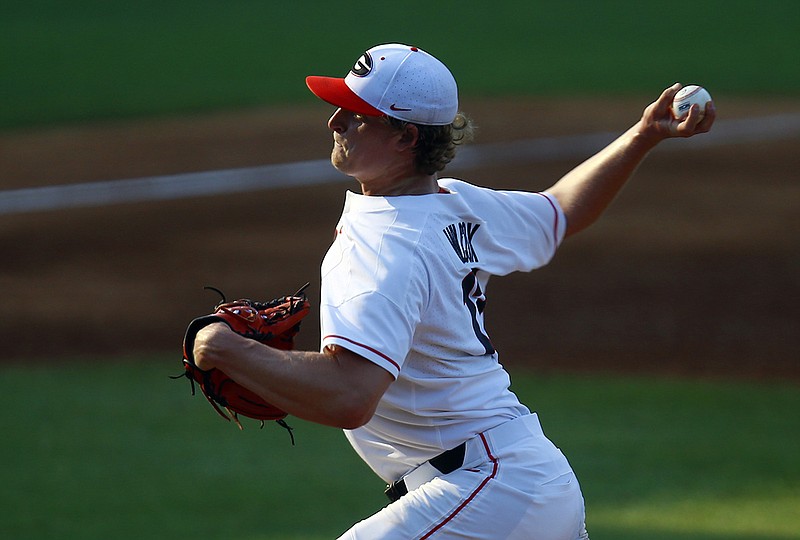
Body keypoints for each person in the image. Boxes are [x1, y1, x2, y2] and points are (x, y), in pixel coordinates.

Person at [192, 43, 715, 539]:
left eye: (356, 113)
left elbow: (350, 396)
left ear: (405, 138)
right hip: (523, 482)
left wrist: (225, 348)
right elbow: (560, 213)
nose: (336, 121)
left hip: (488, 491)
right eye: (338, 107)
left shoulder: (383, 247)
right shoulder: (453, 205)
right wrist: (644, 135)